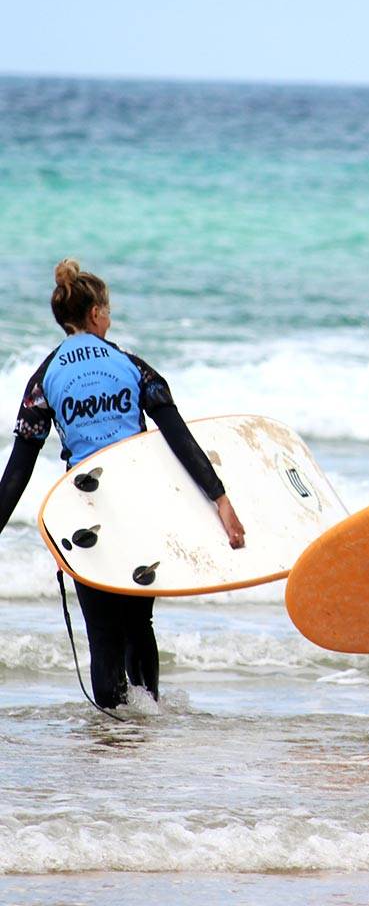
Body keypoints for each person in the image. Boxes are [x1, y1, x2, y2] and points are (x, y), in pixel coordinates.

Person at [0, 260, 245, 709]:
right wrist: (221, 500)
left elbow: (18, 469)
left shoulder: (44, 379)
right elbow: (179, 438)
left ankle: (112, 738)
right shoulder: (131, 367)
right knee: (139, 626)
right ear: (95, 314)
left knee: (102, 635)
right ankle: (146, 720)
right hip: (136, 510)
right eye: (108, 310)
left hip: (83, 515)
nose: (110, 318)